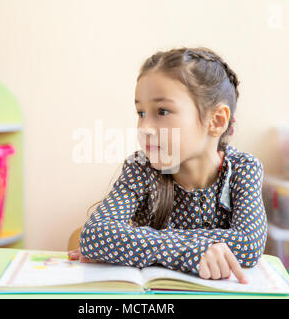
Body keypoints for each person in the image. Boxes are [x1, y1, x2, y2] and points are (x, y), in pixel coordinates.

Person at [69, 47, 268, 284]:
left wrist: (133, 243)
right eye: (141, 113)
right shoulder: (140, 167)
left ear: (216, 121)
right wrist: (193, 252)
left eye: (162, 111)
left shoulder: (243, 168)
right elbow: (94, 236)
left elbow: (248, 244)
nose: (144, 127)